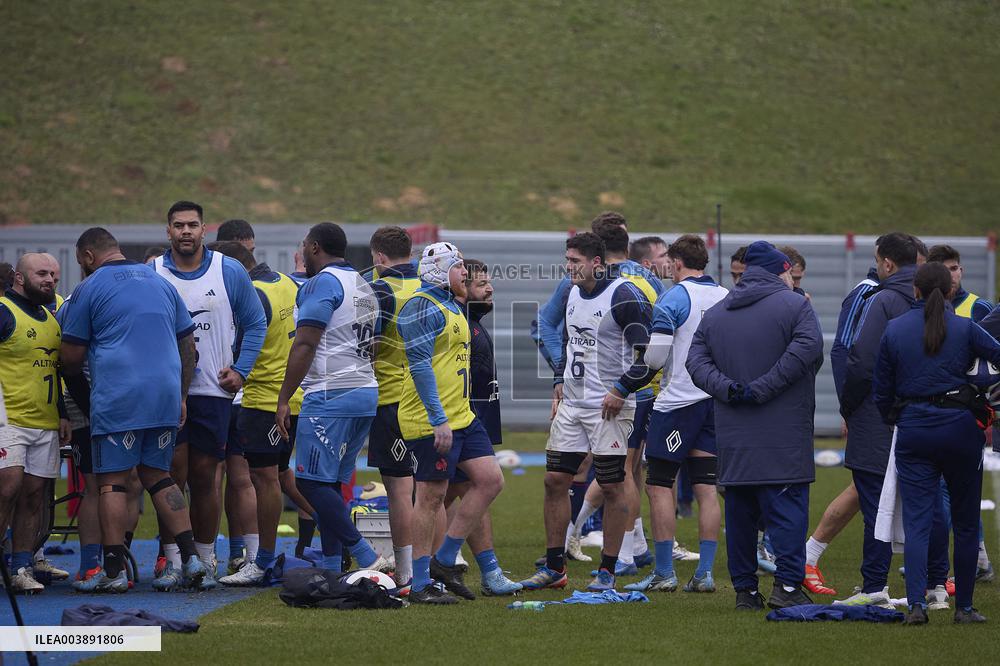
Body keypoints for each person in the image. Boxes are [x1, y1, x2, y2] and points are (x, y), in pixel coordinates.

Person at [58, 227, 214, 592]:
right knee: (159, 477)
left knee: (111, 482)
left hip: (120, 395)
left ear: (87, 257)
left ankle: (112, 572)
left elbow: (70, 358)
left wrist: (84, 401)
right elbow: (187, 344)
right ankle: (192, 560)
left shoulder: (89, 287)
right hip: (164, 394)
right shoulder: (160, 281)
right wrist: (180, 395)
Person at [687, 241, 824, 611]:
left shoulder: (716, 313)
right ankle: (788, 587)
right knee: (788, 514)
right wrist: (765, 387)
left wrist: (729, 389)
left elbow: (695, 362)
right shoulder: (797, 306)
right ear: (781, 270)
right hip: (785, 433)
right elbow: (809, 351)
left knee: (741, 515)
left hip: (734, 435)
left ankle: (745, 591)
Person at [519, 232, 652, 593]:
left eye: (575, 261)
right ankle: (554, 567)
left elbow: (652, 355)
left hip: (609, 408)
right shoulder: (572, 292)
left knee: (611, 485)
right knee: (554, 480)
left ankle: (608, 571)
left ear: (597, 262)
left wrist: (621, 390)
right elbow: (568, 339)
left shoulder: (624, 296)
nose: (568, 267)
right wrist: (559, 380)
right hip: (573, 404)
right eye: (567, 259)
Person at [873, 261, 1000, 624]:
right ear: (949, 292)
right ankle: (965, 608)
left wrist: (896, 417)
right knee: (964, 522)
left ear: (914, 289)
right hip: (960, 429)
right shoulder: (964, 327)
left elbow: (881, 389)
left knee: (917, 522)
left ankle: (917, 605)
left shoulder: (895, 329)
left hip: (914, 429)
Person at [152, 200, 266, 581]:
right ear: (167, 231)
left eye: (193, 225)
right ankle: (172, 561)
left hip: (213, 392)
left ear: (204, 230)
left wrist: (241, 371)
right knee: (170, 475)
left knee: (205, 477)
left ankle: (204, 559)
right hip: (166, 393)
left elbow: (256, 323)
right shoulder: (152, 273)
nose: (186, 231)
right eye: (178, 225)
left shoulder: (228, 270)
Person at [275, 223, 390, 578]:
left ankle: (368, 557)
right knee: (331, 484)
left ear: (313, 247)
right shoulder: (362, 284)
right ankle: (329, 565)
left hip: (330, 393)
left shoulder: (323, 283)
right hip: (364, 391)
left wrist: (283, 398)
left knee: (310, 483)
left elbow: (306, 343)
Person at [393, 242, 505, 604]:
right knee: (431, 497)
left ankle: (444, 559)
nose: (464, 273)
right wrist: (438, 418)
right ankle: (420, 582)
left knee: (490, 480)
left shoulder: (453, 305)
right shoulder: (421, 306)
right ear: (440, 271)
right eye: (458, 267)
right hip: (431, 419)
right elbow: (421, 366)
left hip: (463, 416)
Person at [626, 235, 728, 593]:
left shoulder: (673, 298)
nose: (665, 266)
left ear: (679, 263)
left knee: (658, 485)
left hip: (678, 403)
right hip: (715, 402)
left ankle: (665, 572)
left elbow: (655, 359)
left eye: (669, 260)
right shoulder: (725, 296)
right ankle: (705, 573)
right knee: (706, 489)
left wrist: (623, 383)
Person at [209, 242, 308, 586]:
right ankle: (331, 539)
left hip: (264, 400)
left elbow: (242, 342)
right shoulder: (285, 282)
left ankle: (261, 561)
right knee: (280, 477)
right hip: (291, 398)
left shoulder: (251, 293)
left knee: (262, 481)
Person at [836, 232, 920, 608]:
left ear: (886, 263)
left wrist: (848, 406)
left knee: (875, 501)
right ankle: (932, 588)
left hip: (877, 415)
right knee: (926, 504)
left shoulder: (882, 298)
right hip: (927, 416)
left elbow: (859, 359)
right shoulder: (939, 303)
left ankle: (874, 586)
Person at [436, 259, 522, 596]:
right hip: (457, 421)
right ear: (460, 286)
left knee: (470, 492)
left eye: (489, 282)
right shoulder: (454, 323)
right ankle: (421, 569)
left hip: (475, 420)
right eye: (482, 283)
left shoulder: (472, 322)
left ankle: (486, 572)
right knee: (434, 500)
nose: (490, 288)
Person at [0, 253, 70, 593]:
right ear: (19, 278)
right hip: (8, 420)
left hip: (44, 422)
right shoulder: (3, 311)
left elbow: (54, 372)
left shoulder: (52, 318)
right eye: (42, 274)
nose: (50, 281)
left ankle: (21, 567)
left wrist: (64, 414)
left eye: (54, 276)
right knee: (7, 488)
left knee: (34, 496)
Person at [925, 244, 994, 584]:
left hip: (970, 412)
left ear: (962, 270)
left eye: (955, 268)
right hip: (936, 410)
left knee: (957, 488)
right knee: (945, 487)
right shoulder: (925, 309)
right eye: (944, 269)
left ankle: (961, 560)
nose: (951, 275)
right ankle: (969, 559)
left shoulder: (978, 307)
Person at [367, 226, 421, 588]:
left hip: (392, 399)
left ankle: (405, 573)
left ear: (379, 257)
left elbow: (366, 343)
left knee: (400, 489)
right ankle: (435, 567)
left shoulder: (380, 289)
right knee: (432, 489)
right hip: (433, 398)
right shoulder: (434, 288)